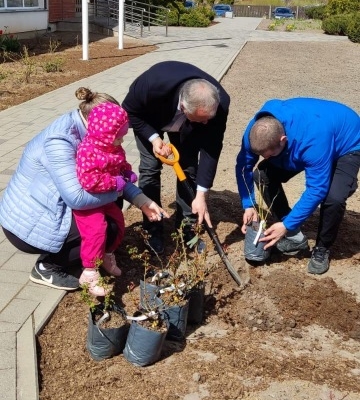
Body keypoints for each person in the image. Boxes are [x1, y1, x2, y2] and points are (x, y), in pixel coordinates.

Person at [0, 87, 167, 291]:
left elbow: (115, 176)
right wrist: (120, 187)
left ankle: (96, 255)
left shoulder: (95, 137)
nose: (120, 139)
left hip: (53, 204)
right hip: (27, 222)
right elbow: (77, 198)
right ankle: (48, 266)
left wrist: (142, 201)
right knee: (102, 227)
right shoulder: (59, 142)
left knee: (110, 215)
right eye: (116, 133)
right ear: (99, 124)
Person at [236, 97, 360, 275]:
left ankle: (322, 248)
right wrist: (248, 204)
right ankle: (295, 237)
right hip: (305, 143)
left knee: (333, 197)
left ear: (282, 140)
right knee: (262, 175)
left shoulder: (312, 140)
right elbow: (243, 167)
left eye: (269, 155)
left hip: (347, 143)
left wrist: (285, 224)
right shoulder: (255, 133)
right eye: (262, 155)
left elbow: (317, 189)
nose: (265, 158)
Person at [122, 61, 230, 254]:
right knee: (150, 168)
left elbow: (211, 149)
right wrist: (154, 138)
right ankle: (153, 228)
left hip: (185, 127)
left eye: (208, 118)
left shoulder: (218, 105)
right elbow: (131, 112)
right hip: (149, 119)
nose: (206, 123)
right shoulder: (152, 85)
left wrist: (201, 194)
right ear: (183, 106)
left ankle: (185, 228)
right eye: (201, 118)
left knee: (188, 168)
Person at [74, 102, 138, 297]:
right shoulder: (88, 151)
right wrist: (114, 182)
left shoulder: (113, 148)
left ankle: (108, 254)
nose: (121, 142)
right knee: (96, 230)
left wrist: (126, 171)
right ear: (105, 135)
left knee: (118, 222)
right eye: (118, 138)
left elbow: (120, 162)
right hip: (89, 201)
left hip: (106, 199)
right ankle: (89, 272)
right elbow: (88, 181)